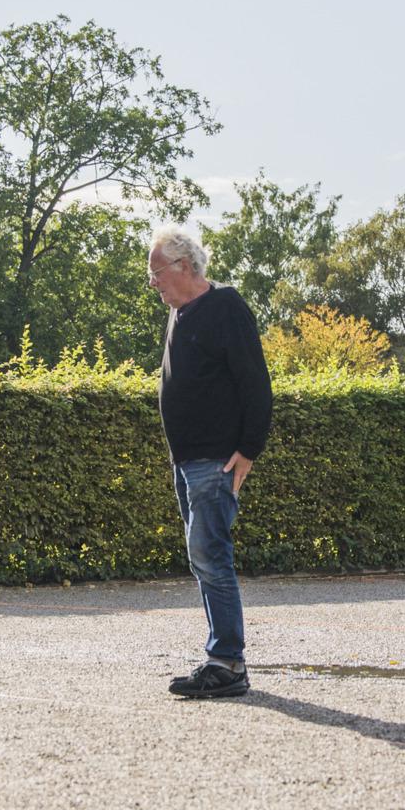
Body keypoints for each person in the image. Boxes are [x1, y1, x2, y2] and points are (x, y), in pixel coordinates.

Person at [149, 223, 272, 700]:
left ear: (184, 266)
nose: (153, 282)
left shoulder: (225, 307)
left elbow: (255, 382)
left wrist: (249, 449)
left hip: (214, 459)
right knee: (202, 557)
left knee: (210, 555)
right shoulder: (179, 312)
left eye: (156, 272)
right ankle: (222, 658)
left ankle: (227, 663)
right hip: (187, 460)